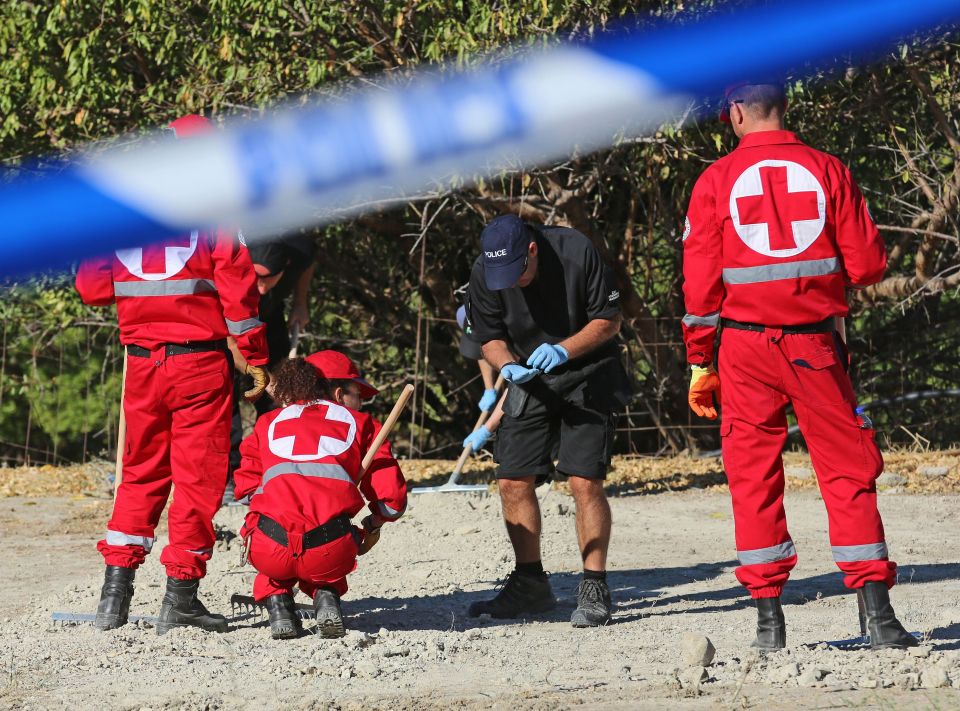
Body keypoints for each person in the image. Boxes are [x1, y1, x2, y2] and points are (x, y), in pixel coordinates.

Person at [682, 81, 916, 650]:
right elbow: (869, 267)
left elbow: (700, 287)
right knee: (847, 470)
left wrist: (699, 361)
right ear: (784, 107)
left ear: (736, 112)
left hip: (741, 350)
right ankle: (879, 618)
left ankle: (769, 625)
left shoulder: (714, 182)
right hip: (815, 347)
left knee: (752, 476)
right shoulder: (829, 170)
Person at [75, 114, 271, 635]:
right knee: (198, 479)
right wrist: (255, 356)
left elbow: (92, 289)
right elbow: (241, 298)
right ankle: (180, 597)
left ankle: (113, 599)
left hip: (141, 365)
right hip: (199, 364)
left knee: (139, 474)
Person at [467, 214, 631, 627]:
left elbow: (610, 320)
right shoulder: (486, 271)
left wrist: (563, 350)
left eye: (517, 272)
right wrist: (507, 367)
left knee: (583, 480)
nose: (511, 283)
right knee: (512, 478)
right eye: (500, 275)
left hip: (589, 374)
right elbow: (488, 337)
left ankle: (594, 585)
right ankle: (530, 583)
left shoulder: (576, 250)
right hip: (529, 377)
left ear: (533, 251)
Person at [233, 356, 407, 639]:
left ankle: (278, 603)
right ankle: (326, 594)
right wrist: (375, 523)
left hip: (270, 549)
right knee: (330, 541)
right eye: (358, 394)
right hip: (328, 552)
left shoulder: (267, 422)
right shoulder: (362, 424)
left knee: (263, 526)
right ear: (338, 393)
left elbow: (246, 490)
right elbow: (391, 501)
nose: (361, 403)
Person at [225, 235, 317, 500]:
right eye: (257, 278)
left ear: (285, 265)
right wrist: (259, 374)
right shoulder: (228, 260)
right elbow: (231, 344)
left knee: (281, 395)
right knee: (225, 396)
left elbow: (308, 261)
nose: (262, 287)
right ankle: (230, 477)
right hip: (229, 324)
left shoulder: (298, 248)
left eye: (270, 278)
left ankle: (275, 468)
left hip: (270, 319)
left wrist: (301, 302)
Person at [456, 303, 506, 453]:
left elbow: (518, 390)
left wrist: (487, 429)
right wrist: (489, 388)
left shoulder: (517, 330)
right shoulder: (463, 314)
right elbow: (482, 352)